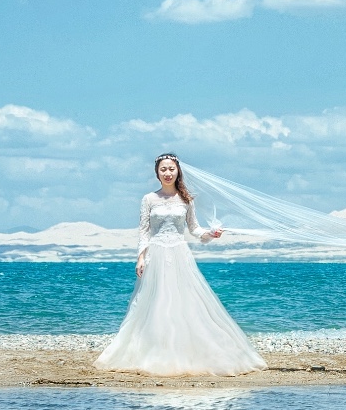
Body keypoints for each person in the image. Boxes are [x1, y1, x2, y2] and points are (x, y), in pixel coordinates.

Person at [95, 154, 266, 377]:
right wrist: (140, 257)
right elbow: (144, 231)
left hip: (179, 254)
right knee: (154, 304)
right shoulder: (149, 199)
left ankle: (189, 352)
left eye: (171, 169)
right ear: (157, 173)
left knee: (185, 303)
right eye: (163, 169)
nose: (167, 173)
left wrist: (210, 233)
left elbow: (194, 229)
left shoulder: (186, 199)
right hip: (155, 256)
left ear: (178, 171)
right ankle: (155, 352)